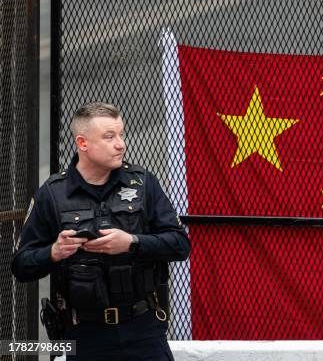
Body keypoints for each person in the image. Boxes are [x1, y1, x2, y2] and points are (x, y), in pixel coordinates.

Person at [12, 102, 190, 360]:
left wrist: (131, 242)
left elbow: (180, 244)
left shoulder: (143, 183)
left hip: (143, 330)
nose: (121, 144)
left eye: (121, 134)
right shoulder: (53, 193)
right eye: (109, 137)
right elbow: (20, 266)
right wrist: (54, 252)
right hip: (84, 335)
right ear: (82, 143)